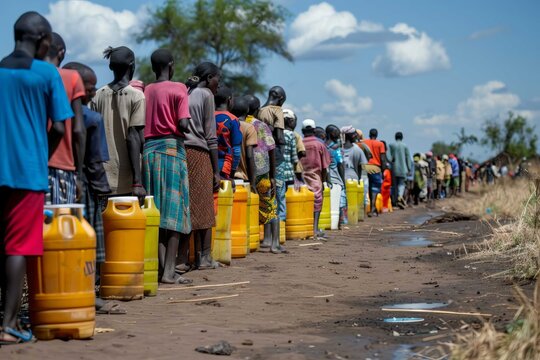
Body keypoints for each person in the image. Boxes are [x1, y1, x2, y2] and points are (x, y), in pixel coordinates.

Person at [0, 11, 72, 344]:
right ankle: (10, 324)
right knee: (17, 247)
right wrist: (41, 157)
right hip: (26, 172)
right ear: (42, 38)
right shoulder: (46, 73)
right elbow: (59, 126)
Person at [62, 61, 111, 306]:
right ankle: (89, 292)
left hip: (61, 181)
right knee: (89, 241)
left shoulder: (56, 113)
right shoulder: (92, 118)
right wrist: (104, 191)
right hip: (85, 186)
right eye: (89, 87)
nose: (92, 92)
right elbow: (94, 162)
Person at [142, 49, 192, 284]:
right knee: (173, 213)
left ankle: (162, 269)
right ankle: (169, 272)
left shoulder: (147, 90)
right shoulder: (179, 88)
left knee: (156, 212)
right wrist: (188, 130)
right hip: (172, 151)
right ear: (171, 65)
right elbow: (182, 122)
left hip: (149, 152)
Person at [90, 46, 146, 203]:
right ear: (132, 66)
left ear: (110, 67)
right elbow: (133, 137)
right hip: (126, 182)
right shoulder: (137, 96)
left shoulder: (98, 95)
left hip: (101, 178)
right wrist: (137, 182)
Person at [180, 62, 221, 270]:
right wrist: (216, 170)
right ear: (209, 77)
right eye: (217, 80)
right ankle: (204, 257)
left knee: (187, 205)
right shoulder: (206, 95)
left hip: (181, 152)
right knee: (204, 206)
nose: (218, 86)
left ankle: (186, 256)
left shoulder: (185, 91)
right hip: (199, 153)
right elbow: (210, 136)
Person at [44, 32, 86, 204]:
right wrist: (79, 176)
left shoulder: (27, 75)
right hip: (62, 168)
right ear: (61, 52)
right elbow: (78, 130)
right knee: (61, 227)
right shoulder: (72, 77)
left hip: (28, 167)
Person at [257, 87, 287, 253]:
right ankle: (275, 243)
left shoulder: (259, 111)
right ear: (281, 98)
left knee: (266, 196)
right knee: (277, 196)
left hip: (261, 158)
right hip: (275, 157)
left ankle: (266, 239)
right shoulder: (277, 111)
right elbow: (280, 137)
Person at [300, 119, 331, 238]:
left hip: (301, 177)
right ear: (314, 130)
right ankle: (315, 229)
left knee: (303, 203)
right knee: (317, 202)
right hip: (315, 177)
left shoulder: (300, 142)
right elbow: (325, 166)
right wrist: (324, 180)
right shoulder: (319, 144)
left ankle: (306, 228)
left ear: (302, 131)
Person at [276, 109, 299, 227]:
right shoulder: (290, 135)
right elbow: (294, 157)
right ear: (290, 121)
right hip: (288, 172)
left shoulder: (276, 133)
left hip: (276, 171)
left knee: (277, 198)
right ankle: (282, 224)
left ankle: (277, 223)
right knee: (284, 198)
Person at [214, 86, 242, 180]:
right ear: (229, 100)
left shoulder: (207, 116)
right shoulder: (233, 119)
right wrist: (233, 171)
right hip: (224, 166)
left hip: (206, 165)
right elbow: (236, 150)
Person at [231, 96, 257, 192]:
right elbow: (250, 156)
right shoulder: (249, 128)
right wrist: (253, 183)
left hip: (226, 176)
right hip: (242, 178)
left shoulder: (227, 124)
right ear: (247, 112)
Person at [326, 125, 347, 227]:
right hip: (336, 179)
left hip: (325, 179)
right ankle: (340, 220)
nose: (338, 135)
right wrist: (343, 180)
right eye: (336, 133)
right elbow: (340, 165)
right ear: (331, 134)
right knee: (339, 201)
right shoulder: (336, 148)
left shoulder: (323, 146)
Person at [362, 129, 387, 217]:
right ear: (376, 135)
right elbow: (383, 159)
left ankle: (364, 209)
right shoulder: (380, 144)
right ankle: (372, 208)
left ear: (369, 134)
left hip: (364, 167)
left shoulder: (364, 142)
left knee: (365, 188)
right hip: (375, 168)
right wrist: (383, 171)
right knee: (375, 188)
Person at [388, 132, 412, 209]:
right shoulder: (405, 146)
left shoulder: (391, 145)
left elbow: (389, 157)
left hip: (394, 168)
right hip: (403, 169)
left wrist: (391, 161)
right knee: (401, 184)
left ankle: (394, 202)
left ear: (395, 137)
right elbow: (408, 158)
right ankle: (400, 197)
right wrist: (409, 168)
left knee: (394, 186)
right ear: (402, 137)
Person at [283, 109, 306, 183]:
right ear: (291, 121)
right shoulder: (295, 135)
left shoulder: (277, 134)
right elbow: (302, 152)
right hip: (294, 169)